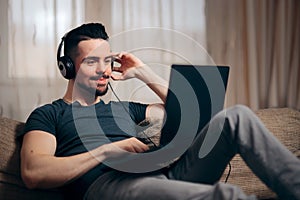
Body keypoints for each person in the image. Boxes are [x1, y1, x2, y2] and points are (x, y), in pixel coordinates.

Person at [20, 23, 300, 200]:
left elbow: (191, 112)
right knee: (223, 195)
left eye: (107, 60)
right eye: (93, 61)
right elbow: (34, 172)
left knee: (236, 116)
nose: (104, 70)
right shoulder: (50, 114)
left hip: (165, 175)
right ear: (67, 67)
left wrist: (143, 73)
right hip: (107, 186)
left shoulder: (124, 109)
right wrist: (106, 151)